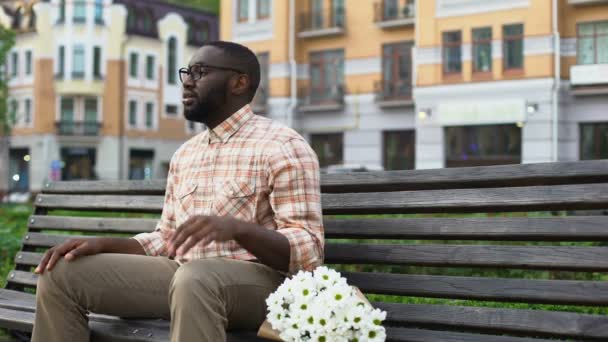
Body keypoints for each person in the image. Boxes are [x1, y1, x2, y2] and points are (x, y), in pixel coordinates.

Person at [32, 41, 324, 342]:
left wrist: (238, 229)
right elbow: (168, 238)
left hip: (263, 286)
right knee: (61, 274)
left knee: (196, 279)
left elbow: (309, 250)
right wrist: (105, 244)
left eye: (201, 72)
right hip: (186, 276)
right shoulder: (186, 153)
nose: (187, 81)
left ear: (239, 82)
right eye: (187, 72)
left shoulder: (283, 146)